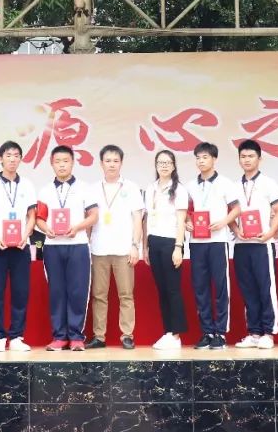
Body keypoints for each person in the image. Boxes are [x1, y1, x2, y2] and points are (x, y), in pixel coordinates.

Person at [36, 145, 98, 351]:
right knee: (57, 291)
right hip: (53, 247)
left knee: (78, 291)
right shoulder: (45, 190)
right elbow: (39, 218)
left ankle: (76, 336)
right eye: (57, 161)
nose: (62, 165)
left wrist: (77, 227)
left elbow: (93, 216)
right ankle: (59, 336)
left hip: (77, 245)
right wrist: (46, 229)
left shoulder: (85, 188)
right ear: (51, 164)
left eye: (66, 161)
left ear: (73, 163)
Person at [0, 141, 37, 352]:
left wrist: (25, 236)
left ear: (21, 159)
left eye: (16, 155)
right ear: (0, 158)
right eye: (8, 155)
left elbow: (32, 216)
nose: (12, 159)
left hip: (20, 247)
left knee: (20, 291)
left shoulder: (27, 185)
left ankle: (17, 336)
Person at [86, 144, 143, 350]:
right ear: (101, 163)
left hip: (123, 249)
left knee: (126, 295)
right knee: (98, 295)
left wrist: (135, 245)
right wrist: (87, 245)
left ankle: (127, 335)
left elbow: (137, 219)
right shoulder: (92, 188)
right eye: (108, 161)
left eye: (115, 161)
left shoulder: (131, 187)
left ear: (121, 163)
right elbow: (89, 220)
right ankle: (99, 336)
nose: (112, 164)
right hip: (98, 248)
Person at [187, 142, 240, 350]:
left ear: (214, 159)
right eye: (198, 158)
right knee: (200, 288)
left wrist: (224, 222)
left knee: (220, 287)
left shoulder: (226, 183)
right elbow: (185, 211)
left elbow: (236, 209)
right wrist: (187, 223)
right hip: (196, 243)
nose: (201, 161)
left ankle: (220, 332)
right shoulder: (190, 185)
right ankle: (207, 331)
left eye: (205, 157)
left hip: (218, 241)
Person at [232, 140, 278, 350]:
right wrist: (236, 230)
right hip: (241, 244)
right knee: (248, 289)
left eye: (251, 156)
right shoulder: (234, 186)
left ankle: (268, 333)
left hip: (262, 244)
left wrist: (270, 233)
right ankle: (254, 332)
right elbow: (230, 214)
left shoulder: (269, 183)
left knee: (266, 288)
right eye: (243, 156)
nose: (247, 160)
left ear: (259, 159)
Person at [144, 150, 189, 350]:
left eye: (168, 162)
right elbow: (147, 218)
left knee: (172, 289)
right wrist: (145, 246)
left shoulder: (179, 189)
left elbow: (181, 221)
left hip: (171, 242)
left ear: (173, 166)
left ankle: (176, 335)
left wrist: (178, 247)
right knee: (161, 289)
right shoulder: (150, 188)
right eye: (160, 162)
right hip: (154, 241)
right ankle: (168, 331)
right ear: (155, 165)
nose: (164, 166)